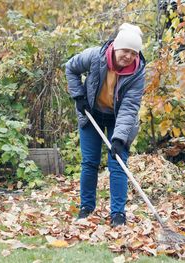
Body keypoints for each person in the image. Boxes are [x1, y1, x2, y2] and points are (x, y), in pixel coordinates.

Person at [65, 23, 146, 227]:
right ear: (116, 47)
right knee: (90, 162)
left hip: (120, 119)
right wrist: (78, 96)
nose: (128, 56)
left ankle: (118, 215)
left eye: (133, 52)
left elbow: (129, 107)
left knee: (118, 163)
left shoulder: (137, 72)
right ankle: (86, 208)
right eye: (125, 50)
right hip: (92, 114)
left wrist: (118, 138)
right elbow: (71, 68)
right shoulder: (94, 56)